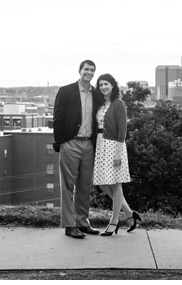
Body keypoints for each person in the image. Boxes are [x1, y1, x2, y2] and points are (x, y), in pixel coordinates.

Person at [52, 60, 103, 239]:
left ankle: (83, 222)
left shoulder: (96, 94)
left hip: (89, 144)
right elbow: (57, 118)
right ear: (79, 71)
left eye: (92, 70)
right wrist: (61, 142)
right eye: (86, 69)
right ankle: (69, 225)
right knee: (67, 186)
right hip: (71, 143)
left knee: (84, 186)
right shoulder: (66, 91)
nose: (89, 72)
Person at [92, 73, 142, 236]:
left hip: (114, 146)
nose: (103, 87)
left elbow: (122, 130)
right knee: (103, 185)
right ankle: (129, 213)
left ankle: (114, 221)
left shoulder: (118, 103)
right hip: (101, 144)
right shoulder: (99, 104)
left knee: (115, 184)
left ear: (113, 85)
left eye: (106, 84)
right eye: (100, 85)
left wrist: (118, 153)